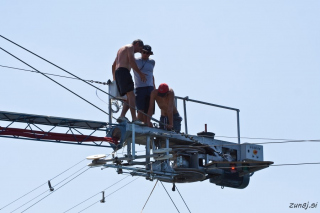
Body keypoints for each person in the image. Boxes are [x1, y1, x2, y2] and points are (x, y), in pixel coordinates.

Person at [112, 39, 147, 124]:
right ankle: (134, 119)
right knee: (132, 95)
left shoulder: (121, 49)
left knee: (129, 97)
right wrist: (140, 73)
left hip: (118, 72)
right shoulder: (130, 47)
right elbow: (131, 61)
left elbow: (113, 65)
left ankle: (122, 116)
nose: (139, 51)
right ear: (137, 44)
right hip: (124, 71)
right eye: (139, 49)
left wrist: (114, 79)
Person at [133, 45, 156, 123]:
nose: (145, 54)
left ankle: (147, 123)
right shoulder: (135, 60)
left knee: (150, 108)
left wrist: (154, 87)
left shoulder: (152, 62)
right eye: (144, 52)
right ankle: (138, 122)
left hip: (150, 87)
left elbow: (151, 74)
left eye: (147, 53)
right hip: (140, 87)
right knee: (140, 108)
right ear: (141, 52)